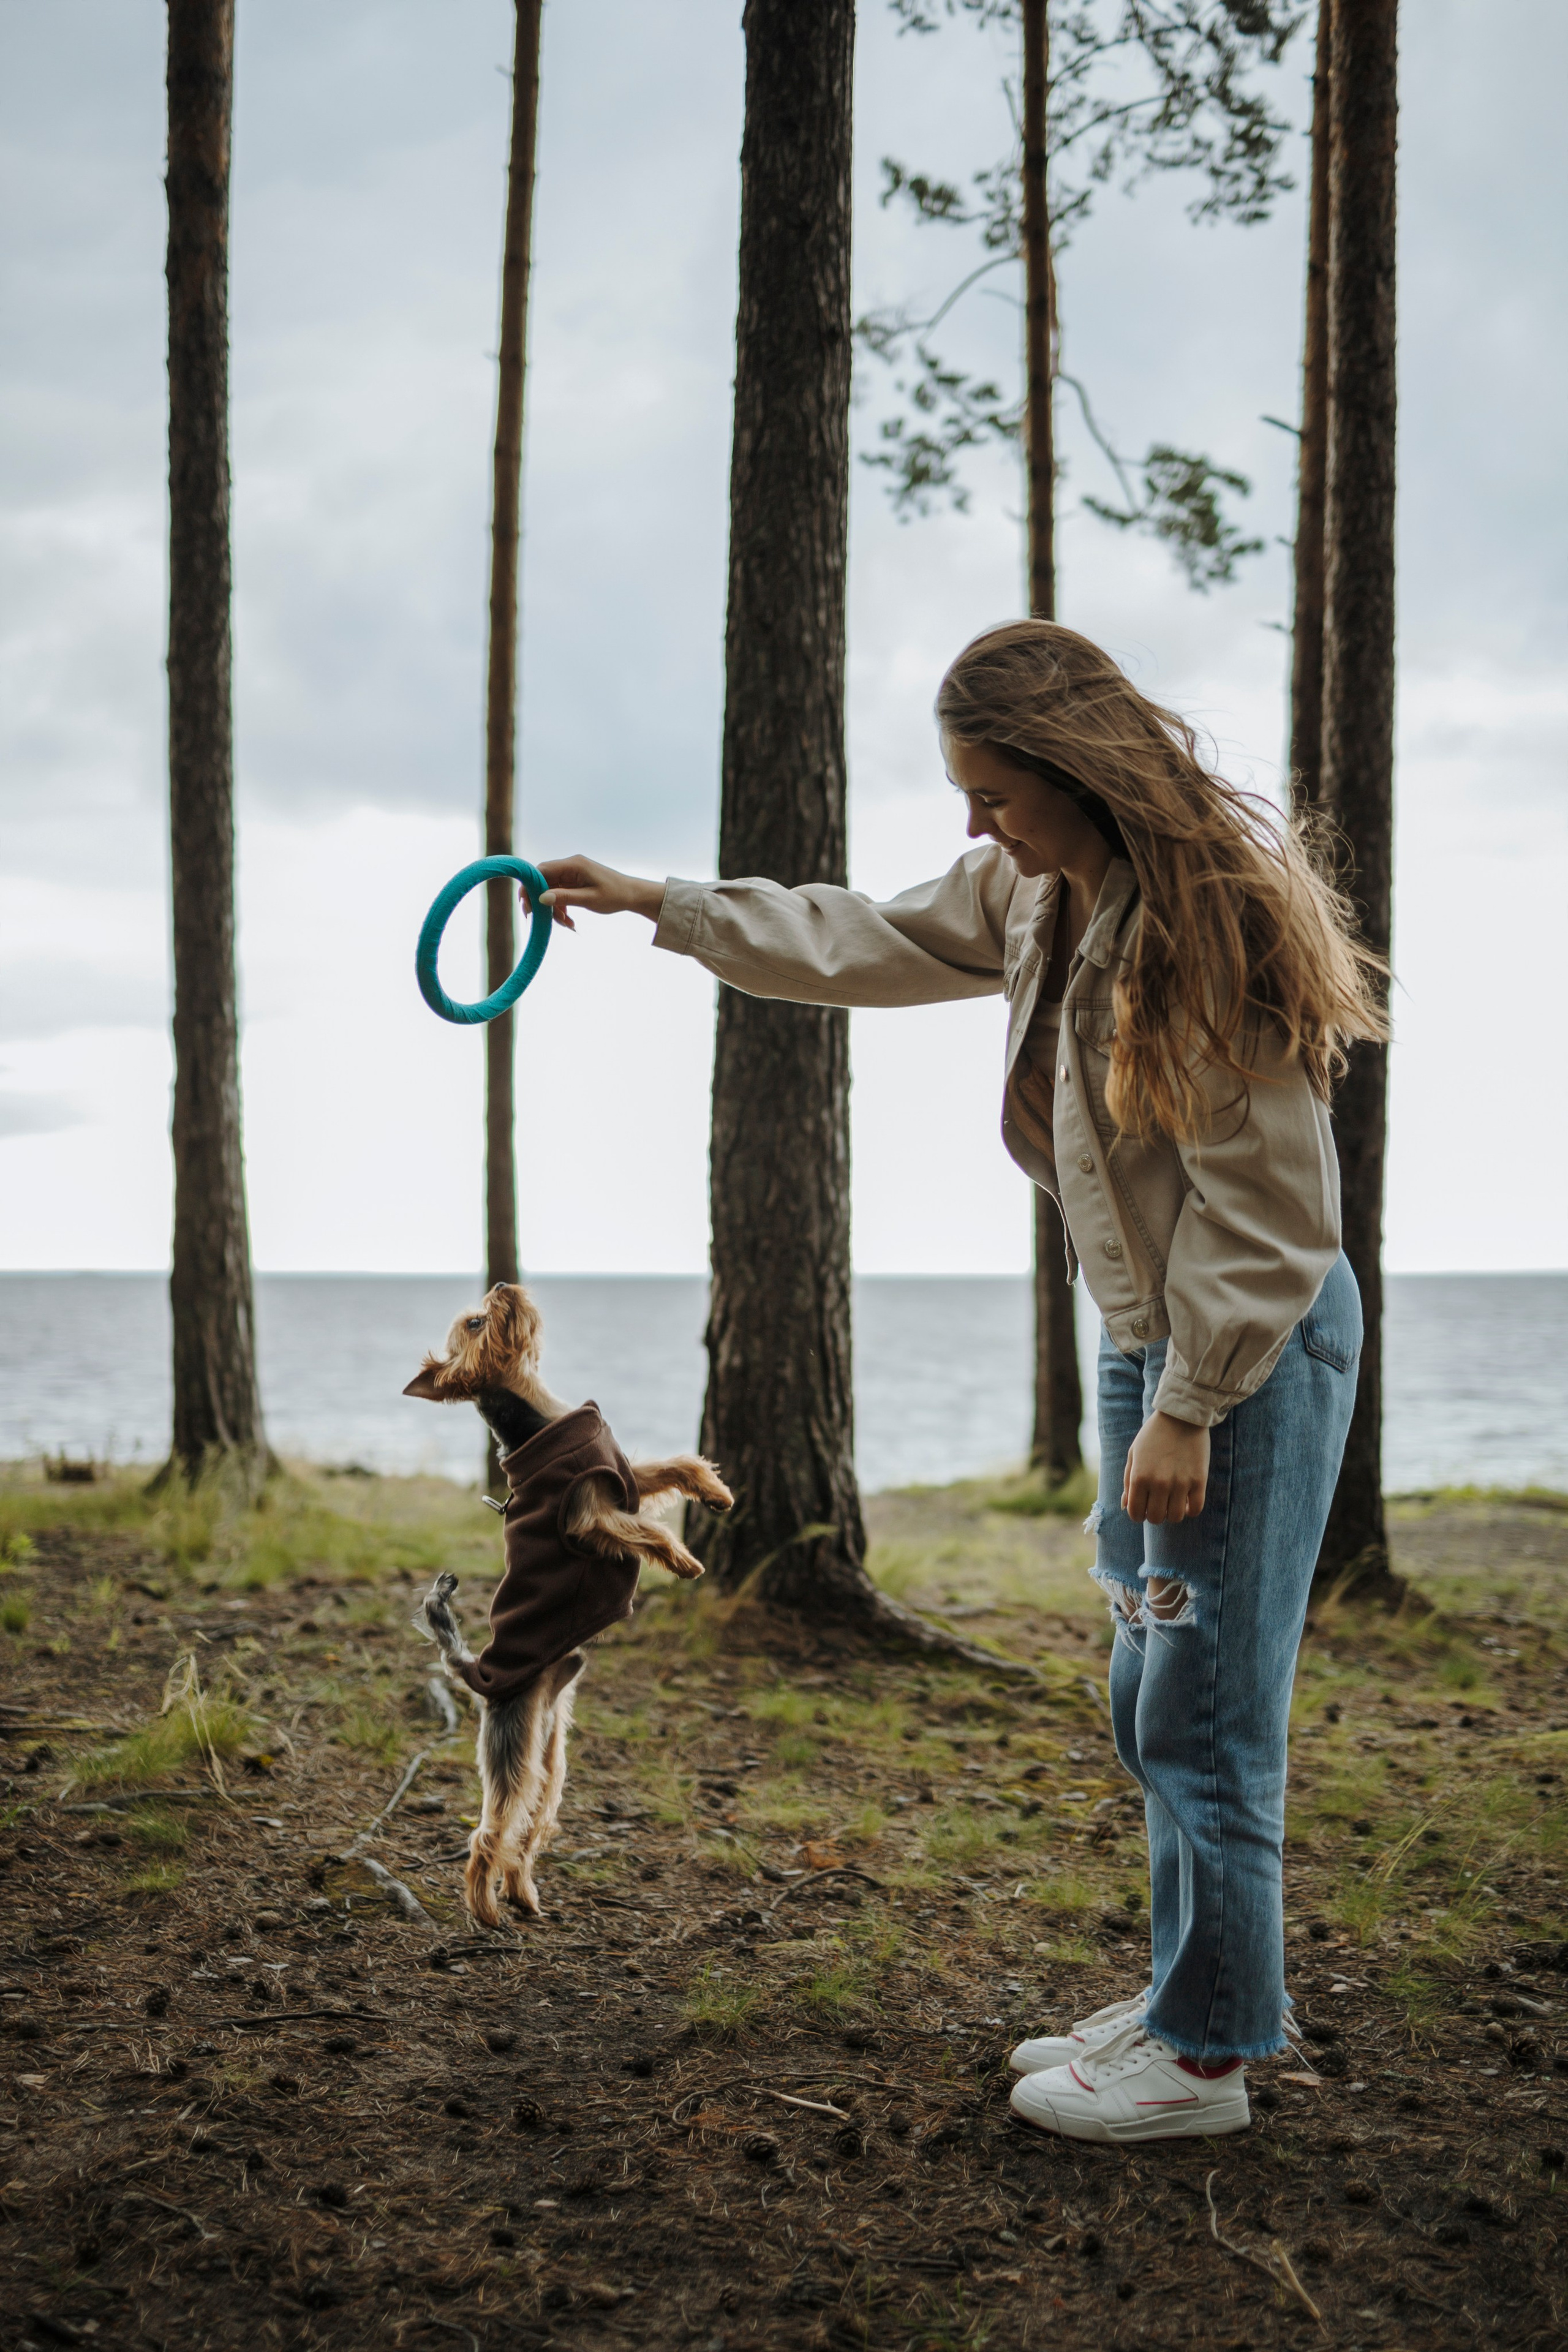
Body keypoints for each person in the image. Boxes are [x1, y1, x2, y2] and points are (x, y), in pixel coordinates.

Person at [535, 617, 1385, 2144]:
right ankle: (1193, 1993)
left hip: (1236, 1352)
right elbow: (864, 935)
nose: (973, 825)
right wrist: (661, 902)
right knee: (1151, 1692)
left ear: (1079, 772)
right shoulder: (1036, 888)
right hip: (1158, 1343)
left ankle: (1202, 2067)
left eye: (993, 795)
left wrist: (1190, 1403)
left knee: (1202, 1711)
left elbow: (1268, 1210)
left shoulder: (1210, 925)